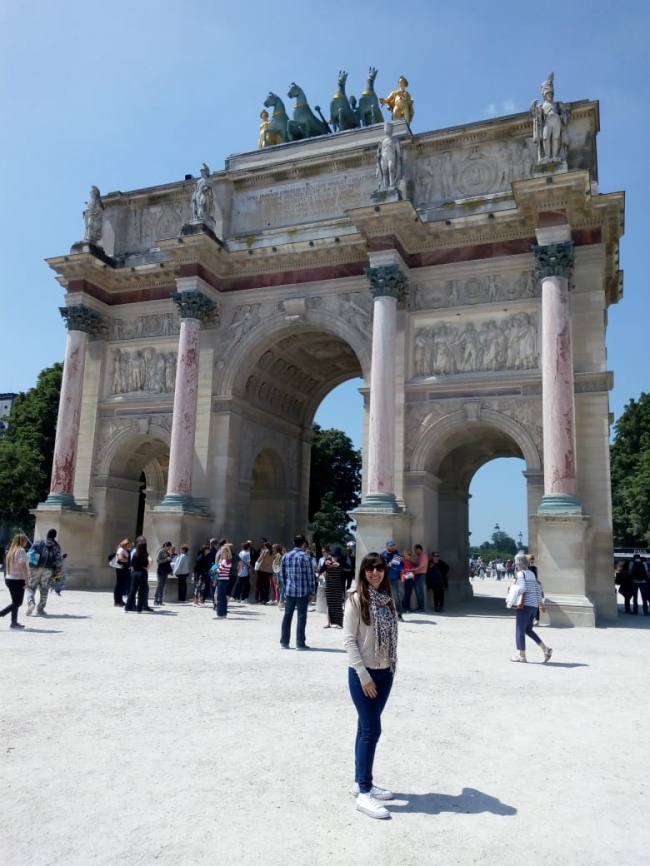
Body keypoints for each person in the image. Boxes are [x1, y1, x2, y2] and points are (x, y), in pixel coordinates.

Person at [344, 551, 398, 820]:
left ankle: (359, 781)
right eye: (369, 568)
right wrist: (364, 676)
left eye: (379, 568)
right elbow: (349, 641)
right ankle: (364, 792)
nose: (374, 572)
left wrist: (389, 669)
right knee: (372, 730)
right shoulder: (355, 600)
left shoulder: (387, 600)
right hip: (363, 675)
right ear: (362, 572)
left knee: (364, 727)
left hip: (385, 673)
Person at [511, 551, 552, 663]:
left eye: (516, 562)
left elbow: (523, 588)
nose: (515, 564)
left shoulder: (521, 574)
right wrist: (541, 604)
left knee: (520, 630)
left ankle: (522, 656)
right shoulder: (531, 574)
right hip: (533, 606)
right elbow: (537, 590)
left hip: (524, 606)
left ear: (518, 563)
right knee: (528, 630)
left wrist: (513, 594)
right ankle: (545, 649)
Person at [280, 534, 316, 650]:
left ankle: (284, 642)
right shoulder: (306, 557)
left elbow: (283, 575)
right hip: (303, 591)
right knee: (301, 617)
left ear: (293, 542)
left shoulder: (286, 556)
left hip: (290, 590)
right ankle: (300, 643)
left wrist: (285, 588)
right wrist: (312, 591)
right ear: (304, 543)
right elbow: (310, 576)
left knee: (287, 616)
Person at [26, 528, 62, 616]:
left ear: (47, 535)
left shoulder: (38, 542)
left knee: (31, 587)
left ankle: (31, 603)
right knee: (44, 589)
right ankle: (40, 608)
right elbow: (58, 561)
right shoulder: (56, 546)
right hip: (48, 569)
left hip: (35, 568)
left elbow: (30, 554)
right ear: (54, 536)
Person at [1, 533, 29, 629]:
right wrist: (27, 580)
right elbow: (23, 567)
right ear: (22, 541)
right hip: (18, 579)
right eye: (25, 540)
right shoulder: (20, 551)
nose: (26, 542)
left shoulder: (10, 551)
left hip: (9, 578)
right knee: (18, 602)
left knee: (14, 602)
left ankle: (14, 622)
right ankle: (1, 614)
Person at [125, 538, 152, 613]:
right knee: (142, 591)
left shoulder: (135, 554)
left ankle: (127, 607)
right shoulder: (145, 555)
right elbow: (150, 562)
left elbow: (132, 565)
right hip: (143, 572)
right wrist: (147, 568)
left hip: (135, 573)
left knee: (132, 591)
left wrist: (133, 572)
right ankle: (139, 609)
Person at [320, 546, 344, 629]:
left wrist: (339, 565)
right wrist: (325, 566)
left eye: (337, 556)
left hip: (338, 586)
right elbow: (320, 570)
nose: (336, 558)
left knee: (338, 604)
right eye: (335, 556)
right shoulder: (327, 561)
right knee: (329, 604)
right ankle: (328, 623)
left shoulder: (341, 561)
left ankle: (339, 623)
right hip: (329, 585)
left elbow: (348, 569)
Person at [381, 541, 404, 621]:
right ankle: (385, 614)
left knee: (396, 596)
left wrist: (393, 565)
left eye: (393, 546)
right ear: (387, 546)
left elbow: (402, 567)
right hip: (384, 578)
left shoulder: (396, 555)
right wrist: (386, 565)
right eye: (390, 546)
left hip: (394, 578)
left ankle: (399, 614)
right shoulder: (382, 555)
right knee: (384, 596)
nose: (392, 547)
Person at [213, 545, 231, 619]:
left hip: (222, 579)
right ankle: (224, 613)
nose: (222, 553)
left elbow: (219, 571)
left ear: (227, 552)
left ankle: (220, 613)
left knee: (220, 597)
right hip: (225, 579)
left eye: (223, 551)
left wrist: (214, 570)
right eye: (221, 551)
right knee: (223, 597)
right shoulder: (228, 561)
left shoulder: (224, 561)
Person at [113, 538, 133, 607]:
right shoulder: (121, 549)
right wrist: (129, 560)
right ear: (126, 544)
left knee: (122, 585)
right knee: (119, 585)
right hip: (121, 569)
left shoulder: (126, 550)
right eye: (129, 544)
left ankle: (120, 600)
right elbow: (120, 558)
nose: (130, 546)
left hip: (125, 569)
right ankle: (117, 601)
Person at [154, 541, 173, 605]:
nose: (169, 548)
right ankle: (156, 599)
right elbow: (157, 560)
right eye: (168, 547)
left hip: (166, 570)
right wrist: (166, 559)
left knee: (163, 585)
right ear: (165, 546)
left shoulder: (168, 552)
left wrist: (170, 557)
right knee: (159, 584)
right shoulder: (161, 551)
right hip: (161, 570)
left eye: (170, 547)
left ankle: (160, 599)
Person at [412, 544, 428, 613]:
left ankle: (422, 608)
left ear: (419, 549)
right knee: (417, 592)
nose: (414, 551)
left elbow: (421, 565)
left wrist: (413, 570)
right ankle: (419, 607)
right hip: (417, 575)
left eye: (415, 550)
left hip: (420, 575)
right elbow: (415, 564)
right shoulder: (418, 556)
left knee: (420, 592)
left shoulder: (423, 555)